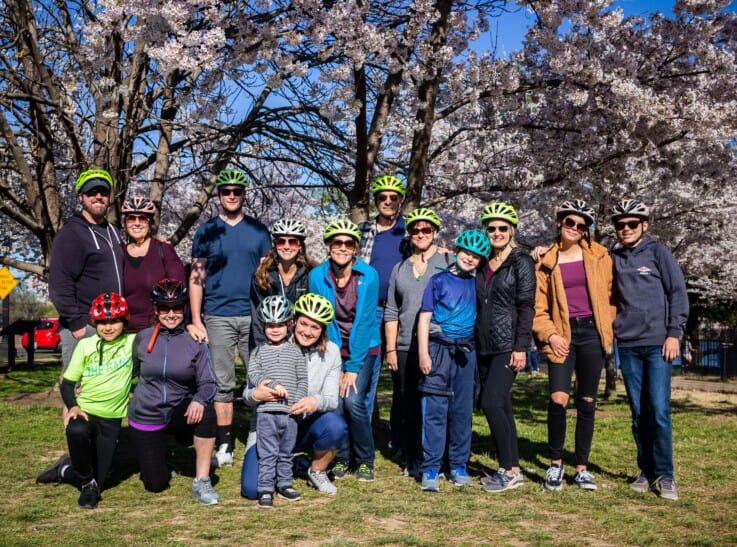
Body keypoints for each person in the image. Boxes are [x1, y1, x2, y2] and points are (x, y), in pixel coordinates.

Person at [189, 168, 271, 466]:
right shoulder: (206, 231)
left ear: (244, 194)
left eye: (237, 191)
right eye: (226, 192)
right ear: (219, 195)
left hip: (253, 316)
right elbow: (196, 278)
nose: (232, 196)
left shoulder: (259, 231)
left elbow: (267, 278)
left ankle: (258, 436)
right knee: (222, 383)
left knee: (259, 379)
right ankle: (224, 444)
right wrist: (196, 319)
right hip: (217, 316)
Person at [532, 199, 616, 491]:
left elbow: (611, 295)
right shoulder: (546, 260)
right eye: (571, 222)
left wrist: (607, 322)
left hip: (592, 333)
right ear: (560, 222)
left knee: (587, 402)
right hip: (561, 334)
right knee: (558, 399)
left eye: (582, 225)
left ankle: (581, 467)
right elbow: (538, 307)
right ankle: (556, 463)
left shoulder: (600, 256)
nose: (576, 228)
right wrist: (550, 335)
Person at [610, 199, 689, 501]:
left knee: (658, 410)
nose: (626, 229)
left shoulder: (658, 252)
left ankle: (665, 475)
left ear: (644, 225)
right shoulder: (614, 257)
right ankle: (645, 470)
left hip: (658, 344)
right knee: (638, 411)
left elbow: (677, 293)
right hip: (628, 345)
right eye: (620, 225)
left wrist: (673, 334)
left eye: (632, 224)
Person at [241, 293, 347, 499]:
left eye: (315, 327)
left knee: (335, 425)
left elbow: (332, 399)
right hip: (269, 425)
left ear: (323, 329)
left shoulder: (332, 352)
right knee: (252, 490)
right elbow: (246, 395)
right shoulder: (270, 347)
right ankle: (291, 461)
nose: (307, 332)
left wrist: (314, 401)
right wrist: (256, 394)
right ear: (293, 321)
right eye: (303, 324)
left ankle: (316, 470)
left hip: (304, 423)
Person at [36, 293, 135, 509]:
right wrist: (73, 406)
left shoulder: (132, 343)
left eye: (114, 321)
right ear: (95, 323)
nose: (108, 327)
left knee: (101, 479)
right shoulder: (86, 345)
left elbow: (161, 336)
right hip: (86, 411)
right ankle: (88, 487)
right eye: (102, 323)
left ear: (124, 321)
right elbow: (68, 383)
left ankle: (63, 470)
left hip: (112, 418)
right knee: (76, 430)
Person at [127, 279, 220, 505]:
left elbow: (209, 382)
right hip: (147, 415)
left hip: (180, 412)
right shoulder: (141, 338)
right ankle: (160, 461)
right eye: (165, 308)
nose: (171, 313)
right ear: (156, 309)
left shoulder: (195, 340)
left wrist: (198, 399)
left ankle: (202, 480)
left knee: (207, 412)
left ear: (184, 309)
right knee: (155, 485)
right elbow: (130, 374)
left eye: (177, 307)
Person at [417, 229, 490, 492]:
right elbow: (424, 317)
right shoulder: (437, 281)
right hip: (438, 351)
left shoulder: (477, 283)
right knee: (435, 410)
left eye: (476, 256)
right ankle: (431, 468)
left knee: (461, 411)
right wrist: (423, 353)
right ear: (457, 251)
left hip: (465, 354)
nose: (470, 259)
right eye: (466, 253)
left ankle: (458, 465)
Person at [309, 219, 381, 482]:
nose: (342, 247)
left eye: (348, 243)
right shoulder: (317, 276)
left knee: (354, 403)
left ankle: (365, 460)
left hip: (364, 347)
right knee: (335, 404)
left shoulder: (369, 276)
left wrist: (351, 368)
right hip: (332, 348)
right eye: (337, 242)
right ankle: (341, 457)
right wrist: (336, 362)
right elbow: (324, 321)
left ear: (355, 248)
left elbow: (364, 322)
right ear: (329, 246)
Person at [475, 202, 536, 493]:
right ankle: (514, 468)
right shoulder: (482, 262)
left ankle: (507, 468)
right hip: (483, 345)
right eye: (491, 228)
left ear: (511, 230)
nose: (496, 232)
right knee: (503, 407)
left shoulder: (520, 261)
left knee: (490, 402)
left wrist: (521, 347)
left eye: (502, 228)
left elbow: (526, 306)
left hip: (507, 344)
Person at [384, 207, 449, 476]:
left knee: (437, 405)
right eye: (415, 230)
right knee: (408, 404)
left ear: (434, 232)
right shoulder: (399, 268)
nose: (420, 234)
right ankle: (413, 458)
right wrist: (390, 348)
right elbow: (391, 310)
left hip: (438, 344)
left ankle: (440, 457)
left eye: (426, 229)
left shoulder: (448, 262)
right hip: (404, 346)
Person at [49, 169, 124, 371]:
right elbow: (59, 283)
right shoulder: (72, 233)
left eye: (103, 192)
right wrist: (76, 323)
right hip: (84, 326)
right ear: (82, 197)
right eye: (92, 192)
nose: (98, 197)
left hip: (111, 325)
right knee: (77, 391)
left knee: (102, 392)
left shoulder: (113, 232)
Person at [247, 295, 308, 508]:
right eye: (270, 325)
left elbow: (302, 380)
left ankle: (284, 484)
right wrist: (272, 385)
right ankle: (265, 488)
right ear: (263, 326)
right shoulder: (258, 352)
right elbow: (254, 375)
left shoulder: (296, 352)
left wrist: (296, 402)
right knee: (267, 453)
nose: (275, 329)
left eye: (280, 324)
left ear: (289, 324)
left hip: (290, 414)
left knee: (286, 452)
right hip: (266, 414)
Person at [358, 175, 410, 422]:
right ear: (375, 201)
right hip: (370, 309)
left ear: (399, 200)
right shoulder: (363, 231)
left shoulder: (411, 230)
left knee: (402, 374)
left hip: (401, 311)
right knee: (367, 372)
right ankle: (365, 431)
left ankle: (400, 436)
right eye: (382, 197)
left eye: (393, 197)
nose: (388, 202)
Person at [121, 196, 186, 333]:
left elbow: (180, 290)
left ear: (150, 222)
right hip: (124, 331)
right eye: (132, 218)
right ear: (125, 222)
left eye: (142, 218)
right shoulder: (119, 253)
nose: (137, 223)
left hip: (156, 331)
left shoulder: (164, 250)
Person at [250, 218, 313, 347]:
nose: (286, 246)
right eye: (281, 241)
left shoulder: (310, 274)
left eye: (292, 242)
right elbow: (257, 317)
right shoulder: (262, 275)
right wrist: (261, 349)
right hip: (271, 341)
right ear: (275, 244)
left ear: (300, 246)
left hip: (302, 341)